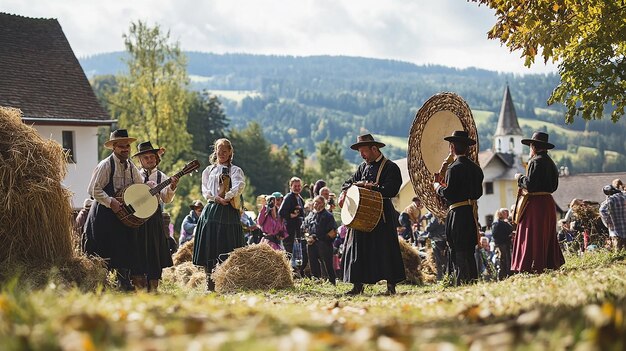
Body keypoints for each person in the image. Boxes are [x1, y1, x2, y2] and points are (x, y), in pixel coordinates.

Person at [339, 134, 405, 295]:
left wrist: (372, 188)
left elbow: (392, 190)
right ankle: (357, 285)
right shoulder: (362, 167)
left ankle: (390, 286)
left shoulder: (390, 167)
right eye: (360, 152)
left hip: (381, 214)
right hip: (361, 215)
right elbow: (347, 183)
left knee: (385, 248)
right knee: (357, 247)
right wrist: (345, 192)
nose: (362, 155)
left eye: (364, 151)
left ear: (374, 149)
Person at [83, 129, 143, 291]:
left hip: (123, 215)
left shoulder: (131, 167)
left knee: (125, 245)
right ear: (114, 147)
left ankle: (123, 282)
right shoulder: (105, 165)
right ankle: (100, 283)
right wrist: (110, 201)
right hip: (103, 214)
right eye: (122, 146)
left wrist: (149, 187)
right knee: (103, 247)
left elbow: (140, 186)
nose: (126, 149)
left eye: (127, 146)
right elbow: (93, 189)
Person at [193, 138, 246, 292]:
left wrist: (227, 196)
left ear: (230, 152)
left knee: (227, 246)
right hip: (211, 210)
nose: (221, 153)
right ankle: (210, 285)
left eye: (225, 151)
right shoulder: (208, 171)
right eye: (219, 150)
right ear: (215, 151)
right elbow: (205, 190)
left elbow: (239, 185)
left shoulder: (235, 170)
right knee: (210, 246)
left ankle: (228, 283)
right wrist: (216, 198)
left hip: (228, 211)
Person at [434, 130, 483, 285]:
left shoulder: (453, 168)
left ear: (452, 147)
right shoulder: (476, 169)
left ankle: (462, 280)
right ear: (467, 148)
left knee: (458, 247)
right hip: (471, 213)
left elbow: (449, 193)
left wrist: (437, 187)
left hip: (457, 213)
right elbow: (477, 192)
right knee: (469, 248)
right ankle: (473, 279)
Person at [511, 131, 565, 273]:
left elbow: (530, 185)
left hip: (536, 203)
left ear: (534, 147)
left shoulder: (535, 161)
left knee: (532, 233)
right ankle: (548, 262)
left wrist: (519, 178)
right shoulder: (551, 163)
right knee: (546, 233)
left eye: (530, 146)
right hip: (548, 202)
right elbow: (554, 186)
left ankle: (532, 264)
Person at [130, 141, 178, 292]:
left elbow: (166, 199)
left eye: (152, 156)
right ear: (140, 160)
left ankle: (153, 285)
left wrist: (172, 187)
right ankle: (138, 284)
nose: (149, 160)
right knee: (137, 249)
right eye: (146, 157)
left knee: (154, 250)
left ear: (157, 158)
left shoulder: (162, 176)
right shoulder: (134, 174)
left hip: (154, 217)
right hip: (136, 217)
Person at [305, 195, 338, 284]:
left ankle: (331, 281)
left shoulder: (328, 216)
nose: (316, 204)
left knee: (328, 264)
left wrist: (319, 238)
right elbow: (305, 227)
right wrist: (308, 237)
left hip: (324, 243)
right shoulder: (311, 214)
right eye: (315, 202)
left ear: (323, 204)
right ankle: (316, 279)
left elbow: (332, 232)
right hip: (312, 243)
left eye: (318, 202)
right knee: (313, 262)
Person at [278, 177, 306, 272]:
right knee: (288, 253)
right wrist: (291, 215)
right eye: (295, 186)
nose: (297, 188)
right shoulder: (289, 197)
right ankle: (286, 273)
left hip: (297, 230)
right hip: (289, 230)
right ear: (291, 187)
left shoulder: (300, 198)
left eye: (299, 186)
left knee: (297, 254)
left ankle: (295, 273)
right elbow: (281, 212)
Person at [599, 184, 626, 252]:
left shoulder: (610, 200)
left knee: (619, 254)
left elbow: (602, 210)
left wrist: (609, 223)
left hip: (617, 231)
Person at [423, 212, 447, 281]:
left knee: (439, 261)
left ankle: (441, 279)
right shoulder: (445, 214)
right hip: (444, 239)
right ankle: (446, 276)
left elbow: (428, 228)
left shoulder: (436, 217)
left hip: (438, 240)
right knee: (445, 260)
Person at [491, 208, 513, 280]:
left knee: (504, 260)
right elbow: (496, 235)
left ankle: (505, 275)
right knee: (503, 260)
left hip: (502, 244)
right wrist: (507, 237)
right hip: (502, 244)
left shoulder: (499, 223)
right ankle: (502, 276)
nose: (506, 214)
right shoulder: (500, 223)